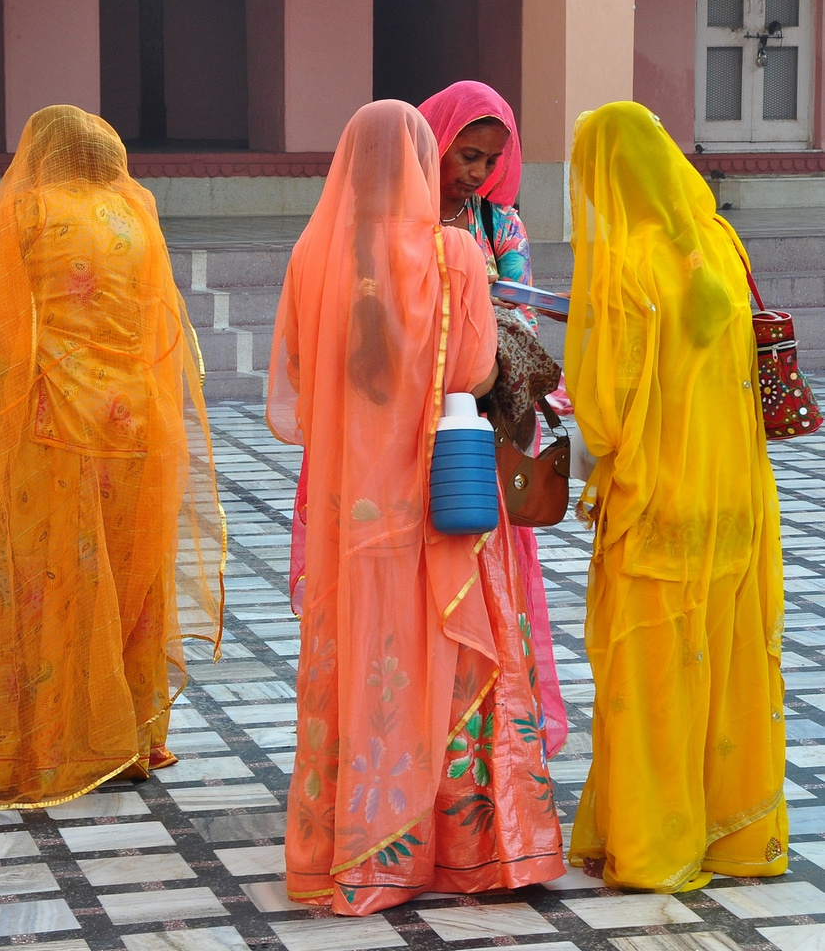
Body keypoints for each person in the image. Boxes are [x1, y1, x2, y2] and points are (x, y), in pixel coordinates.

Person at [267, 100, 564, 916]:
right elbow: (471, 373)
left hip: (349, 501)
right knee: (453, 653)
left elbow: (297, 373)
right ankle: (463, 846)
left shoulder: (311, 254)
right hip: (439, 491)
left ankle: (355, 846)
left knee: (363, 656)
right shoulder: (456, 252)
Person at [0, 105, 225, 809]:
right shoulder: (134, 214)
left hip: (50, 424)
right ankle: (129, 740)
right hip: (133, 421)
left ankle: (42, 752)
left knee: (45, 576)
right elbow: (155, 325)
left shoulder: (25, 212)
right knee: (120, 571)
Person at [564, 101, 787, 891]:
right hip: (733, 504)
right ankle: (731, 836)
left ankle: (657, 847)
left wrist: (590, 444)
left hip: (658, 506)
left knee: (652, 680)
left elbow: (612, 406)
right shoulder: (718, 244)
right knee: (723, 670)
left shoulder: (626, 262)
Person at [418, 80, 568, 758]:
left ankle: (485, 735)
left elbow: (523, 323)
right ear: (433, 141)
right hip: (413, 424)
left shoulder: (498, 225)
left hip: (480, 422)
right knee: (423, 570)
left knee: (482, 563)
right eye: (466, 154)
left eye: (489, 160)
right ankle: (421, 722)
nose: (476, 172)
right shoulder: (399, 213)